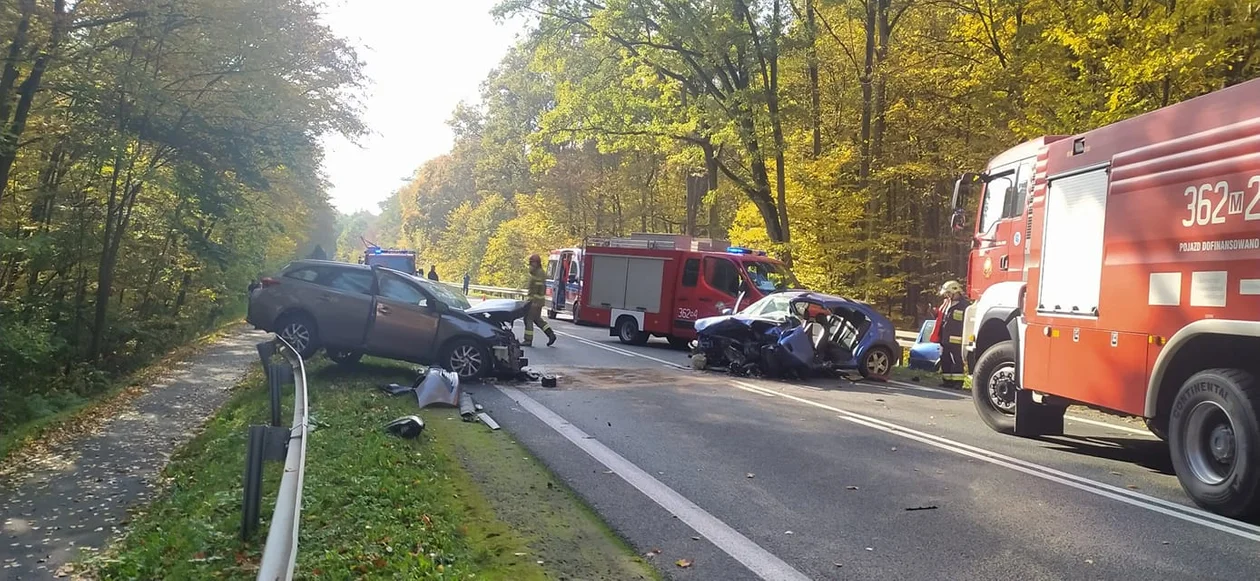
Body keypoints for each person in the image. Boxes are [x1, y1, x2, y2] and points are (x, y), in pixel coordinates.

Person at [936, 280, 969, 389]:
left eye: (949, 293)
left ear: (956, 292)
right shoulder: (946, 304)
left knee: (956, 361)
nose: (947, 295)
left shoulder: (965, 306)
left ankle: (958, 383)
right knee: (945, 359)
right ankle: (947, 381)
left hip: (957, 340)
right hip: (945, 339)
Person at [524, 254, 556, 347]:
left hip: (535, 301)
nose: (531, 264)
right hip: (536, 301)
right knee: (537, 320)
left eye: (532, 262)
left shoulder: (539, 273)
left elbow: (538, 288)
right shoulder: (537, 272)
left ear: (537, 263)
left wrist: (533, 302)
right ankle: (551, 335)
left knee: (528, 319)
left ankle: (528, 340)